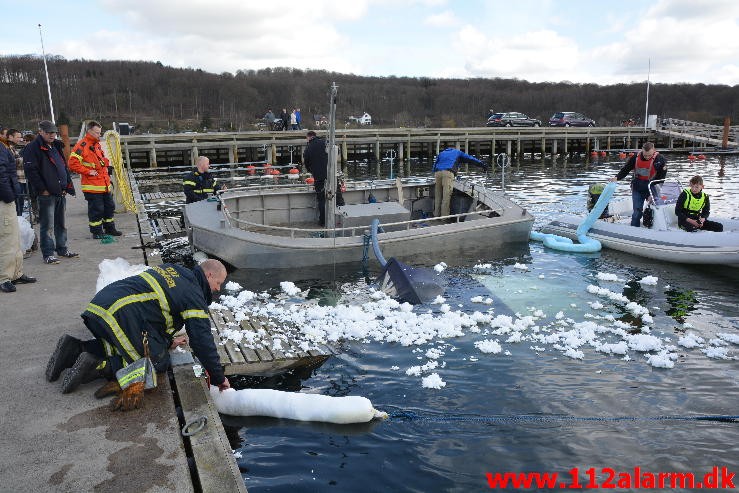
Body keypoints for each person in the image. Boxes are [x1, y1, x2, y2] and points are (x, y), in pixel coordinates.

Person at [45, 259, 232, 409]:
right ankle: (98, 366)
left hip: (101, 308)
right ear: (209, 275)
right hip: (120, 315)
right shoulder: (193, 294)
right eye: (218, 283)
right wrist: (218, 377)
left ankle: (74, 350)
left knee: (124, 346)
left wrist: (167, 342)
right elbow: (202, 341)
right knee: (156, 362)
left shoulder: (174, 270)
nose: (217, 289)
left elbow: (152, 317)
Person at [21, 120, 78, 264]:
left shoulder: (56, 145)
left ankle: (62, 248)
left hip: (60, 191)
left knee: (61, 223)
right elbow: (31, 171)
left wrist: (66, 187)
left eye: (53, 132)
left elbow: (62, 166)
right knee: (47, 225)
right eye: (48, 132)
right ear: (40, 132)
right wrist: (42, 190)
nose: (52, 135)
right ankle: (48, 253)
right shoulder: (32, 148)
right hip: (46, 194)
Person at [68, 121, 122, 239]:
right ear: (89, 131)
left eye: (100, 132)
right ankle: (97, 232)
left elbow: (100, 161)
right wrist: (87, 171)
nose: (99, 135)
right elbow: (72, 164)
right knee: (96, 210)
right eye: (97, 132)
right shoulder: (81, 146)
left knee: (109, 207)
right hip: (92, 186)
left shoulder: (96, 144)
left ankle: (110, 228)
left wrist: (107, 165)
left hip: (104, 184)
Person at [0, 130, 36, 293]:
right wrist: (9, 196)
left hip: (9, 198)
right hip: (4, 200)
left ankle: (16, 273)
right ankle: (4, 277)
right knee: (6, 239)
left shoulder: (4, 146)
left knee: (14, 237)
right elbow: (1, 174)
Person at [609, 141, 667, 227]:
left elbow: (661, 179)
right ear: (642, 151)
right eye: (645, 155)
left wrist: (654, 193)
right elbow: (626, 169)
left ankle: (652, 228)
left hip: (652, 188)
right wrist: (617, 177)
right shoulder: (635, 158)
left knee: (655, 210)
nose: (647, 157)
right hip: (637, 188)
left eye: (649, 155)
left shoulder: (660, 159)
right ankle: (634, 228)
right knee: (637, 211)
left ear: (654, 151)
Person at [303, 131, 344, 226]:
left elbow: (306, 163)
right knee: (338, 197)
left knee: (321, 200)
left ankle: (323, 222)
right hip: (331, 174)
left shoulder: (308, 148)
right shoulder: (325, 142)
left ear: (308, 137)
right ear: (315, 136)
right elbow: (336, 150)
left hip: (319, 177)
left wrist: (312, 171)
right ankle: (342, 220)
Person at [432, 147, 487, 217]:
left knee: (438, 196)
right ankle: (444, 218)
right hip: (448, 173)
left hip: (437, 173)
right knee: (446, 197)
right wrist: (482, 164)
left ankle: (436, 215)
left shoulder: (442, 153)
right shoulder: (457, 152)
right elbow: (470, 159)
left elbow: (434, 165)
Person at [3, 129, 26, 217]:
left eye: (20, 137)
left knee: (20, 204)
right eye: (18, 137)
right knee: (18, 206)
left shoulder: (13, 148)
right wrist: (26, 160)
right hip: (16, 180)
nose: (20, 139)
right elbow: (10, 162)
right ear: (10, 137)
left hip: (20, 179)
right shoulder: (7, 148)